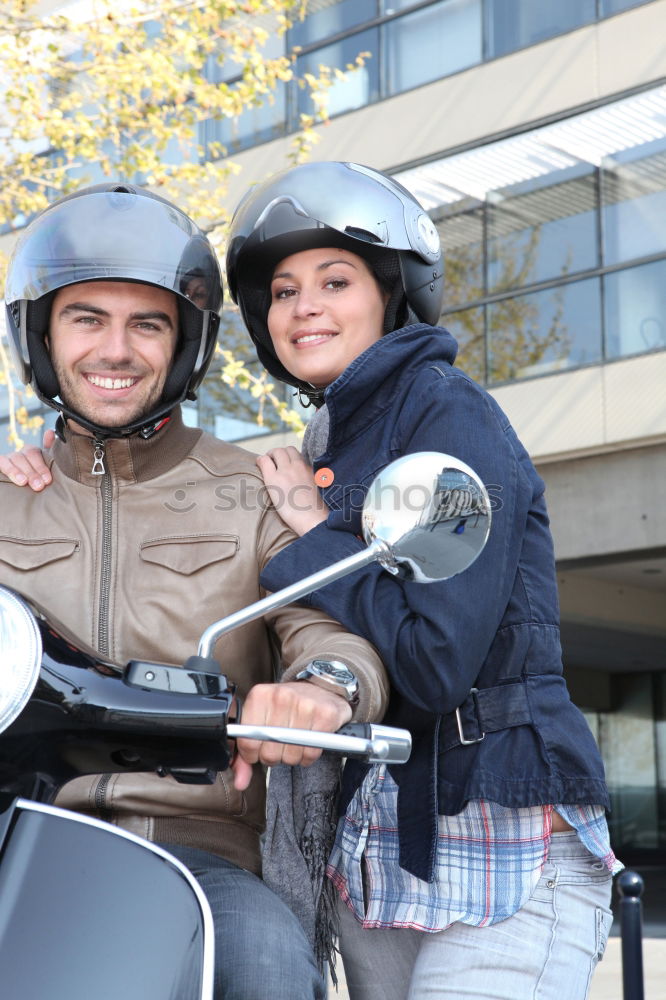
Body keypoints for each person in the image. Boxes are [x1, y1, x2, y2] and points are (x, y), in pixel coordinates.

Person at [221, 160, 621, 1000]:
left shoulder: (444, 409)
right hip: (384, 850)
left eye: (335, 280)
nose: (305, 308)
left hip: (501, 831)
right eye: (285, 292)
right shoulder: (336, 440)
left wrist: (312, 531)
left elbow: (436, 661)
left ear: (390, 293)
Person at [0, 182, 389, 1000]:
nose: (116, 350)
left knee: (270, 965)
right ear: (40, 335)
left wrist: (326, 689)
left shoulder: (254, 494)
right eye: (86, 319)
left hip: (197, 855)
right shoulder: (4, 495)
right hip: (17, 834)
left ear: (185, 345)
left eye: (147, 323)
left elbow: (329, 629)